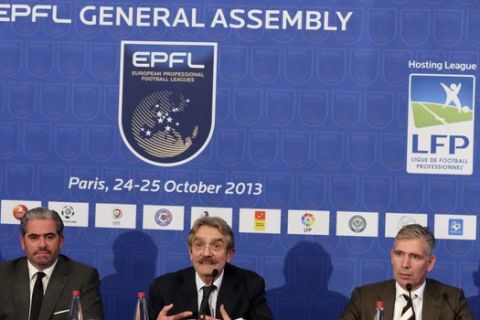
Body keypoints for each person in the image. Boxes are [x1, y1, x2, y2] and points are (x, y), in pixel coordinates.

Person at [148, 216, 273, 320]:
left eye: (216, 246)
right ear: (190, 252)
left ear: (229, 254)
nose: (206, 253)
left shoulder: (250, 285)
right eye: (199, 245)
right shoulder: (164, 287)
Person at [340, 223, 473, 320]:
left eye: (415, 257)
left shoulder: (451, 300)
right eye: (399, 254)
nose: (405, 264)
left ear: (430, 263)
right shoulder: (364, 298)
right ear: (392, 256)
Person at [0, 207, 104, 320]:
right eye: (34, 237)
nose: (42, 244)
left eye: (49, 237)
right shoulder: (3, 275)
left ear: (61, 241)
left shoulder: (83, 277)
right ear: (23, 242)